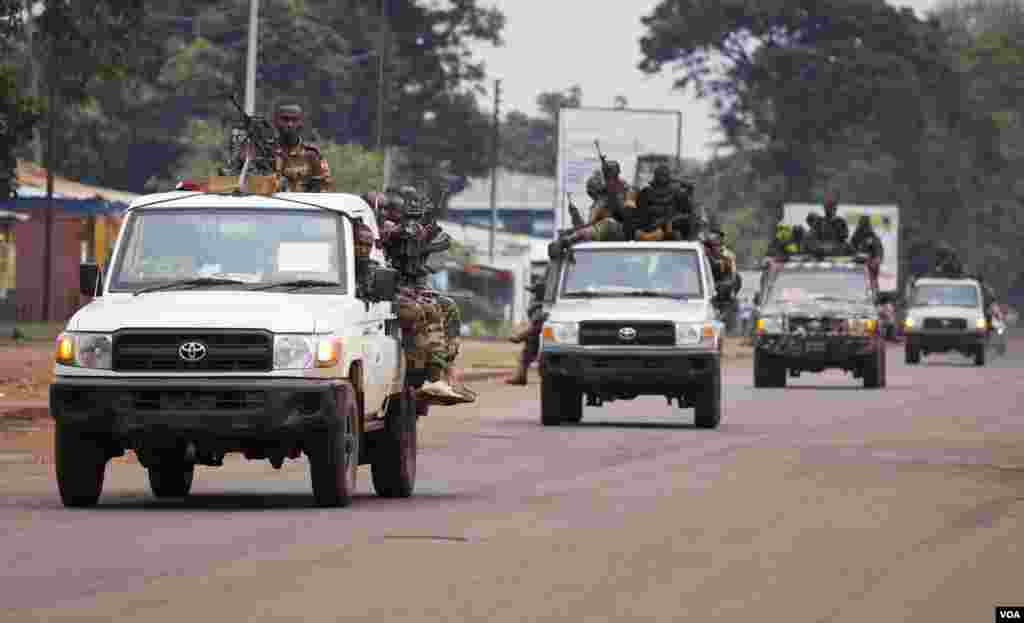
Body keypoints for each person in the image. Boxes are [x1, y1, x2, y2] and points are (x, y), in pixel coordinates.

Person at [375, 186, 475, 405]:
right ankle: (431, 376)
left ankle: (446, 372)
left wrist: (428, 227)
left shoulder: (411, 230)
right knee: (428, 310)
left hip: (411, 287)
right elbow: (398, 238)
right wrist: (415, 227)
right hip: (393, 289)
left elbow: (428, 247)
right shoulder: (382, 230)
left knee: (448, 307)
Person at [270, 103, 334, 192]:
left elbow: (326, 186)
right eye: (285, 119)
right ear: (275, 122)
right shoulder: (267, 152)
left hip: (303, 203)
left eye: (294, 120)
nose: (290, 124)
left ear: (301, 123)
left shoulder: (312, 154)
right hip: (273, 204)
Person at [633, 164, 697, 241]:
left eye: (664, 175)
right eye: (660, 175)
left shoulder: (678, 193)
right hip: (649, 229)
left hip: (671, 228)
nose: (662, 178)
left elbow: (687, 213)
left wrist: (670, 222)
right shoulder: (645, 192)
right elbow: (640, 213)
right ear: (655, 176)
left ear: (668, 177)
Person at [506, 278, 548, 386]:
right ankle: (520, 377)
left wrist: (519, 337)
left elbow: (535, 328)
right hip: (536, 338)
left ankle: (520, 378)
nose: (532, 296)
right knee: (524, 357)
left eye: (534, 293)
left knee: (525, 356)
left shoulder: (540, 308)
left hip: (539, 339)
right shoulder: (540, 306)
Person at [850, 215, 884, 289]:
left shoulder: (872, 235)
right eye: (862, 223)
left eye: (865, 224)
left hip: (871, 260)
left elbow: (878, 249)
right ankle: (871, 286)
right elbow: (852, 247)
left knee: (873, 277)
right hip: (861, 260)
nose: (863, 226)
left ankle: (873, 287)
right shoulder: (857, 234)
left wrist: (877, 258)